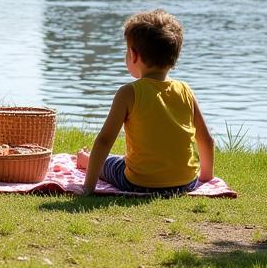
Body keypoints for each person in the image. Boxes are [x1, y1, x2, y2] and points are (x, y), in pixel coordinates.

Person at [78, 10, 214, 196]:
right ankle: (87, 159)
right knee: (120, 160)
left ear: (133, 55)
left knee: (111, 164)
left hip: (138, 183)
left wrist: (88, 188)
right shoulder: (185, 91)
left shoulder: (128, 93)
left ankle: (84, 160)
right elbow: (206, 139)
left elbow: (104, 140)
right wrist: (205, 179)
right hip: (186, 183)